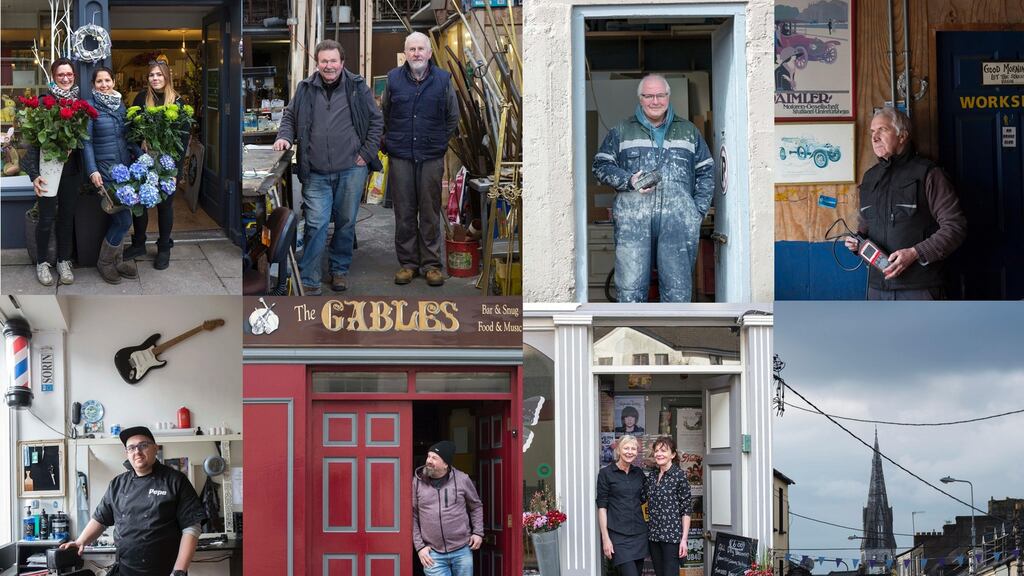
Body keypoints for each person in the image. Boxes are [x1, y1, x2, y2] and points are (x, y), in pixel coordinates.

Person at [273, 39, 384, 294]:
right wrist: (284, 137)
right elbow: (289, 116)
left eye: (333, 61)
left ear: (342, 63)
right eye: (324, 61)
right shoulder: (304, 89)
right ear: (317, 63)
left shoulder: (357, 87)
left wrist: (366, 154)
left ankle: (339, 270)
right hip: (316, 172)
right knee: (316, 222)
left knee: (345, 222)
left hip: (351, 169)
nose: (329, 66)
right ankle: (310, 278)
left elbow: (377, 121)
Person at [593, 74, 715, 303]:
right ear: (640, 99)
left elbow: (706, 171)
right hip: (633, 221)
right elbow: (600, 165)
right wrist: (628, 180)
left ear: (668, 97)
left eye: (660, 95)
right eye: (649, 96)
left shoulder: (689, 131)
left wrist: (695, 212)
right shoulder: (621, 131)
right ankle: (631, 334)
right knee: (630, 288)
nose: (655, 101)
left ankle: (676, 336)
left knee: (677, 289)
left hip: (677, 222)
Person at [844, 107, 966, 300]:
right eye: (872, 132)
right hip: (877, 289)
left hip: (920, 288)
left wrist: (915, 253)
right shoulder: (869, 178)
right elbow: (865, 226)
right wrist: (857, 241)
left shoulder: (928, 173)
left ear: (902, 136)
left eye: (882, 130)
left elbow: (955, 227)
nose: (874, 138)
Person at [59, 426, 205, 576]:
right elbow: (100, 519)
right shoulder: (117, 484)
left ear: (155, 448)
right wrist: (80, 541)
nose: (137, 451)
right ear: (127, 453)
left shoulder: (175, 480)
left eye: (143, 445)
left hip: (164, 571)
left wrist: (179, 571)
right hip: (125, 570)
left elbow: (191, 528)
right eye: (131, 448)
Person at [381, 32, 460, 287]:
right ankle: (408, 264)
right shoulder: (393, 79)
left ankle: (432, 265)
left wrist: (438, 142)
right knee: (404, 212)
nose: (416, 53)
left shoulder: (442, 80)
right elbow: (385, 114)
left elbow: (452, 116)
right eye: (412, 49)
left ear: (429, 53)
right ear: (406, 53)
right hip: (401, 155)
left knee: (429, 211)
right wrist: (391, 141)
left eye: (420, 49)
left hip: (430, 156)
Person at [124, 60, 190, 270]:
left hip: (168, 162)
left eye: (159, 75)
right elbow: (131, 130)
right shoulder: (142, 98)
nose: (155, 78)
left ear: (167, 77)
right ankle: (139, 243)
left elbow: (184, 138)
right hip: (145, 159)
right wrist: (138, 149)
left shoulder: (178, 103)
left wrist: (175, 171)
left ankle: (163, 248)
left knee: (165, 205)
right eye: (152, 75)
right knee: (140, 204)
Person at [23, 58, 83, 286]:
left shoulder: (80, 104)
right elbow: (32, 142)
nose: (66, 78)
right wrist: (33, 174)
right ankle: (42, 262)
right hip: (48, 170)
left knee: (67, 218)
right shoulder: (43, 102)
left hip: (71, 171)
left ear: (74, 77)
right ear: (53, 77)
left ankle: (63, 260)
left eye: (69, 74)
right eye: (61, 75)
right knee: (46, 218)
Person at [83, 66, 140, 284]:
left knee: (122, 217)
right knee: (124, 220)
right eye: (99, 81)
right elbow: (86, 142)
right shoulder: (90, 107)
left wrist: (140, 154)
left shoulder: (120, 106)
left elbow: (127, 137)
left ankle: (117, 260)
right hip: (104, 172)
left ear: (114, 82)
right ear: (93, 85)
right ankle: (105, 262)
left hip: (124, 171)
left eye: (107, 80)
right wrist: (92, 170)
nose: (104, 85)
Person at [412, 440, 483, 576]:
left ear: (446, 464)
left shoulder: (462, 479)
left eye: (434, 458)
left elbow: (476, 506)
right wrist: (420, 547)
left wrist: (478, 532)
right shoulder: (417, 482)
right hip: (432, 553)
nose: (429, 460)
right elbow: (413, 515)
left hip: (462, 550)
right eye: (428, 456)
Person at [597, 435, 648, 576]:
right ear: (619, 450)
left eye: (633, 448)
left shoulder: (639, 473)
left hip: (639, 533)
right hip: (618, 535)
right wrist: (605, 538)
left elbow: (647, 499)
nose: (630, 452)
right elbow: (602, 507)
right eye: (626, 448)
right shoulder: (606, 474)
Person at [643, 436, 692, 576]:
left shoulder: (679, 476)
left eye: (663, 450)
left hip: (672, 537)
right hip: (654, 536)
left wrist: (684, 539)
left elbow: (686, 510)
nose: (659, 454)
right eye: (657, 450)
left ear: (673, 454)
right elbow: (641, 498)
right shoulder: (652, 476)